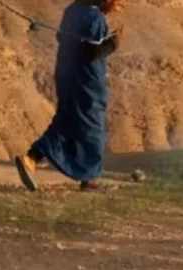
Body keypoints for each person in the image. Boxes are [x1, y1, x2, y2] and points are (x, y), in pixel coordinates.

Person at [14, 0, 123, 192]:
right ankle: (90, 178)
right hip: (86, 81)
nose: (118, 7)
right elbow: (91, 51)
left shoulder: (72, 10)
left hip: (65, 74)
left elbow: (60, 37)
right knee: (92, 124)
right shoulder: (94, 17)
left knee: (66, 119)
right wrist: (114, 42)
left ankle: (32, 158)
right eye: (118, 2)